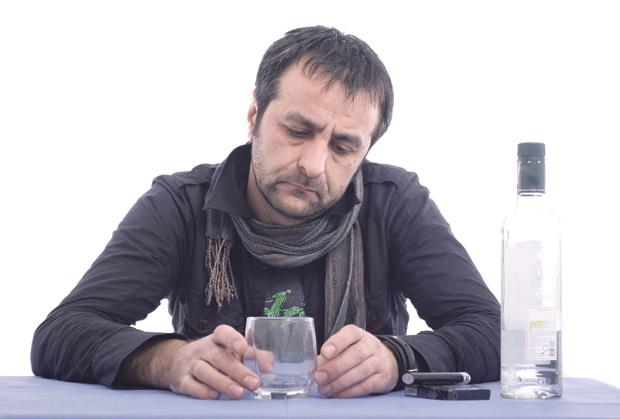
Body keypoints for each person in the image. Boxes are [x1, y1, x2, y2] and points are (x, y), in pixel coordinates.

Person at [31, 26, 500, 400]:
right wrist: (166, 360)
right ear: (254, 115)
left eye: (342, 147)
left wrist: (399, 358)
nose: (313, 165)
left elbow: (494, 333)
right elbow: (61, 334)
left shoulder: (395, 202)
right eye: (297, 131)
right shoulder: (180, 204)